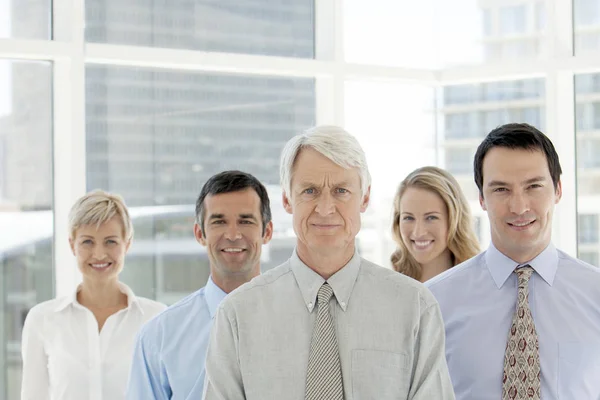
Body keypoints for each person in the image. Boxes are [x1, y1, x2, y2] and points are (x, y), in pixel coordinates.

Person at [202, 126, 455, 400]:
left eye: (341, 191)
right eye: (309, 191)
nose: (324, 208)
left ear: (365, 198)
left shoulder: (415, 308)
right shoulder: (237, 315)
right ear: (287, 199)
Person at [426, 123, 600, 399]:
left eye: (533, 186)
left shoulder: (595, 293)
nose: (519, 207)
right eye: (501, 190)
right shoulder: (433, 301)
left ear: (557, 190)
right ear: (481, 198)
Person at [126, 170, 273, 399]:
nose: (233, 234)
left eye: (245, 221)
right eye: (219, 221)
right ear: (199, 233)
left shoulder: (299, 323)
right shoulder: (159, 337)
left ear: (267, 231)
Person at [21, 190, 166, 400]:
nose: (99, 254)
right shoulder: (42, 319)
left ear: (127, 243)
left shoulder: (156, 319)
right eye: (87, 242)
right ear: (72, 245)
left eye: (110, 241)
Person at [391, 166, 480, 282]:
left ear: (454, 220)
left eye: (431, 217)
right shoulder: (389, 285)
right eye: (408, 218)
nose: (418, 232)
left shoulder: (479, 282)